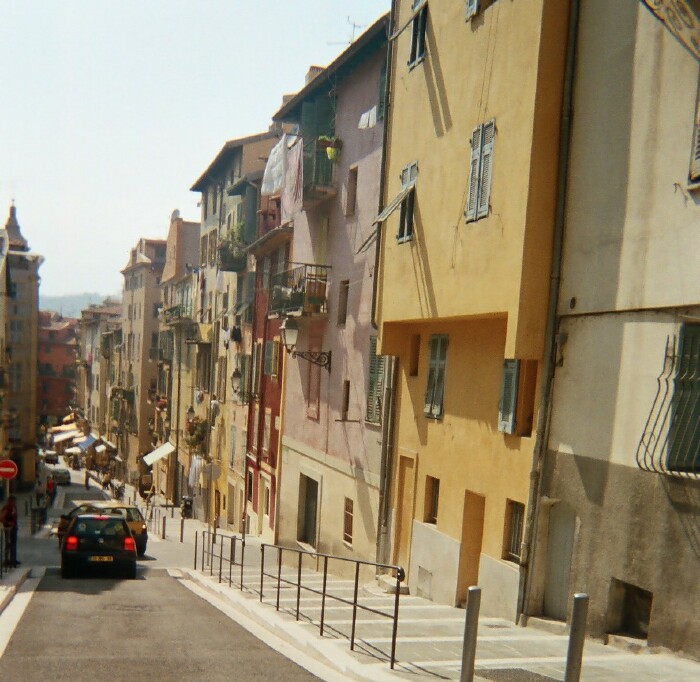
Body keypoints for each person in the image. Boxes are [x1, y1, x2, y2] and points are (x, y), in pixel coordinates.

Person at [0, 495, 19, 568]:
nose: (15, 503)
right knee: (9, 544)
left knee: (13, 544)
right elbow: (1, 518)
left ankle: (13, 559)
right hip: (8, 529)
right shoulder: (7, 508)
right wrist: (8, 523)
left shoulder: (13, 507)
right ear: (10, 501)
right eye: (14, 501)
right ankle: (8, 559)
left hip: (14, 528)